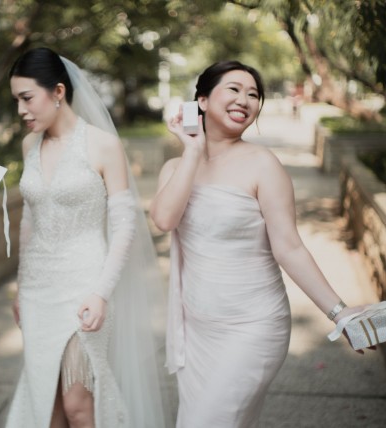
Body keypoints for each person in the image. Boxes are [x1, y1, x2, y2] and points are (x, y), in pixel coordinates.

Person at [150, 61, 365, 427]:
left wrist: (339, 313)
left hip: (253, 326)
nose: (245, 100)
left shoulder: (263, 165)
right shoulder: (175, 168)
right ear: (201, 100)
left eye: (253, 95)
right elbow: (164, 220)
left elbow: (290, 248)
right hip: (197, 331)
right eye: (234, 89)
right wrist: (192, 151)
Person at [6, 47, 168, 428]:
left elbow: (124, 225)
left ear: (58, 92)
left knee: (77, 403)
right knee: (47, 407)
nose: (21, 110)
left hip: (85, 284)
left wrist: (101, 293)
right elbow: (29, 222)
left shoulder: (102, 145)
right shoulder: (30, 146)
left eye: (27, 98)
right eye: (16, 101)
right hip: (37, 290)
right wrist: (21, 286)